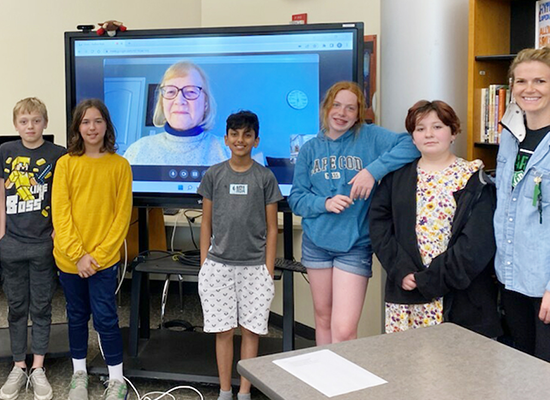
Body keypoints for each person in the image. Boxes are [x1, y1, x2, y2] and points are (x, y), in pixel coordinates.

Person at [288, 81, 419, 345]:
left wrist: (373, 171)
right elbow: (297, 199)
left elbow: (412, 144)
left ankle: (343, 383)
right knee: (323, 318)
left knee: (345, 329)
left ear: (359, 113)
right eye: (336, 105)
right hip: (316, 245)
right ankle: (326, 384)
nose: (342, 113)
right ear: (326, 107)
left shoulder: (369, 137)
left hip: (355, 245)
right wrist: (324, 203)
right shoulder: (310, 148)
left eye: (350, 108)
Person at [369, 100, 501, 337]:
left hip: (460, 297)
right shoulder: (396, 178)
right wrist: (402, 270)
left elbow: (477, 243)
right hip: (407, 293)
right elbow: (380, 227)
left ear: (453, 132)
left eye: (437, 127)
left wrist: (430, 280)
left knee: (456, 369)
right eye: (420, 129)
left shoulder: (474, 178)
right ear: (412, 137)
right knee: (406, 367)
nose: (428, 134)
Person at [198, 111, 281, 400]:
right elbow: (206, 222)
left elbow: (273, 229)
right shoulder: (214, 175)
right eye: (234, 134)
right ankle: (224, 390)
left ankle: (244, 391)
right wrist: (204, 264)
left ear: (256, 140)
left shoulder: (265, 177)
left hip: (255, 267)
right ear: (226, 139)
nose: (240, 140)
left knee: (250, 331)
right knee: (223, 331)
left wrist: (268, 270)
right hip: (218, 266)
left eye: (247, 134)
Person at [52, 99, 132, 400]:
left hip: (103, 262)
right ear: (77, 127)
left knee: (106, 318)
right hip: (70, 260)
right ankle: (79, 374)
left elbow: (121, 216)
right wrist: (78, 255)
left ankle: (116, 380)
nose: (92, 127)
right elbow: (61, 213)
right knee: (76, 316)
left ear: (106, 126)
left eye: (98, 121)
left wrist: (96, 257)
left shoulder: (120, 165)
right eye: (85, 122)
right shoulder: (66, 164)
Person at [0, 97, 66, 400]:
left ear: (45, 123)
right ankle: (18, 364)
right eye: (24, 121)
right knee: (16, 307)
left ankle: (38, 367)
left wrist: (56, 232)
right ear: (16, 125)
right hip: (12, 242)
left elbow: (62, 198)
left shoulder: (58, 155)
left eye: (36, 121)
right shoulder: (6, 152)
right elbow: (1, 195)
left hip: (42, 244)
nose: (30, 126)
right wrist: (1, 234)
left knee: (41, 306)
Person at [494, 47, 550, 362]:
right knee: (520, 369)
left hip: (544, 284)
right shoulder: (509, 136)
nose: (529, 89)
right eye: (521, 81)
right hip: (511, 276)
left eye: (540, 81)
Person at [123, 61, 229, 165]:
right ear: (162, 103)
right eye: (171, 92)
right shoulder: (137, 151)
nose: (179, 101)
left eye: (191, 92)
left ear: (205, 103)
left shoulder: (227, 153)